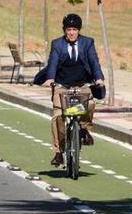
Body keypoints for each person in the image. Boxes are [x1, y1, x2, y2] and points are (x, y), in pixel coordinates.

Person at [41, 13, 105, 167]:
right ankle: (58, 152)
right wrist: (50, 79)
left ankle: (83, 129)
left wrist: (98, 78)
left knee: (89, 105)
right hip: (62, 86)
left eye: (74, 29)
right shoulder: (57, 44)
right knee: (58, 116)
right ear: (64, 30)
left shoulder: (87, 43)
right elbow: (53, 63)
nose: (71, 32)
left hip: (82, 85)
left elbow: (93, 61)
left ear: (79, 30)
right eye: (68, 29)